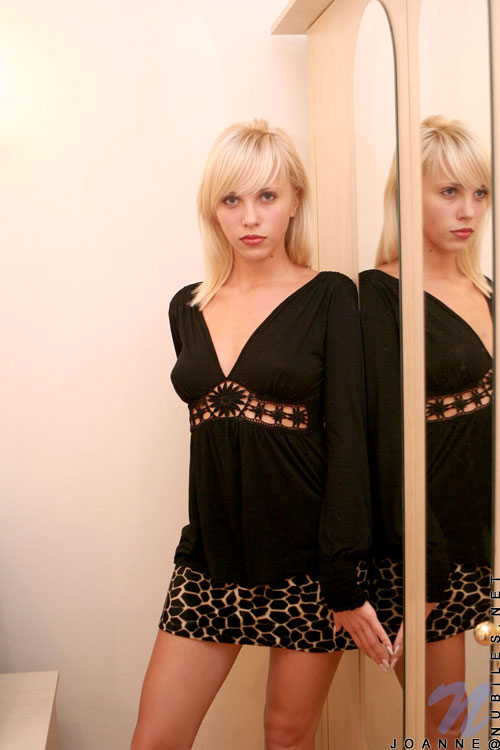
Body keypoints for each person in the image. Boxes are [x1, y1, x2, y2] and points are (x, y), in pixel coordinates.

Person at [131, 119, 391, 750]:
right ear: (212, 209)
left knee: (286, 736)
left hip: (308, 567)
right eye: (232, 199)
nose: (250, 217)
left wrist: (343, 579)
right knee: (155, 739)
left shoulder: (332, 297)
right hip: (211, 558)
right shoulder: (187, 307)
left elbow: (350, 444)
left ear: (295, 200)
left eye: (267, 196)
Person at [360, 115, 492, 744]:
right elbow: (385, 445)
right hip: (421, 544)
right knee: (446, 725)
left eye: (480, 192)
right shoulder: (378, 295)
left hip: (483, 531)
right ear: (407, 195)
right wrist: (425, 571)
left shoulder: (486, 289)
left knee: (455, 726)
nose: (468, 210)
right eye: (448, 191)